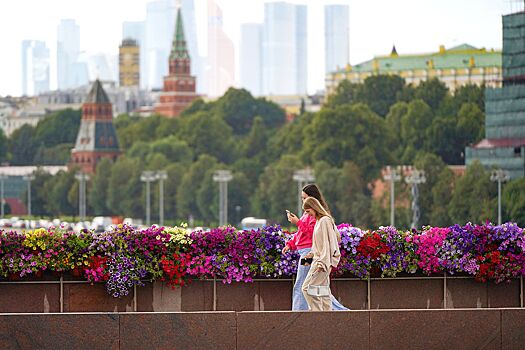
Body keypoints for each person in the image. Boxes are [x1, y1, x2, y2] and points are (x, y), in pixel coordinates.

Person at [282, 183, 347, 311]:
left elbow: (313, 233)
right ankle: (338, 311)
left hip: (309, 253)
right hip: (306, 253)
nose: (303, 201)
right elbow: (301, 234)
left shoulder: (319, 217)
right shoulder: (309, 214)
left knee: (303, 285)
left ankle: (299, 313)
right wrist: (290, 244)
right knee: (317, 286)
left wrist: (298, 223)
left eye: (305, 198)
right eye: (302, 198)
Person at [301, 196, 341, 311]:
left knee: (307, 288)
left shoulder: (324, 221)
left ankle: (317, 314)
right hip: (320, 260)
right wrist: (312, 253)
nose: (308, 215)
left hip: (322, 261)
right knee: (323, 290)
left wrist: (322, 262)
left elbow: (328, 243)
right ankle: (326, 314)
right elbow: (323, 242)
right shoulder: (321, 221)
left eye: (308, 211)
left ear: (314, 208)